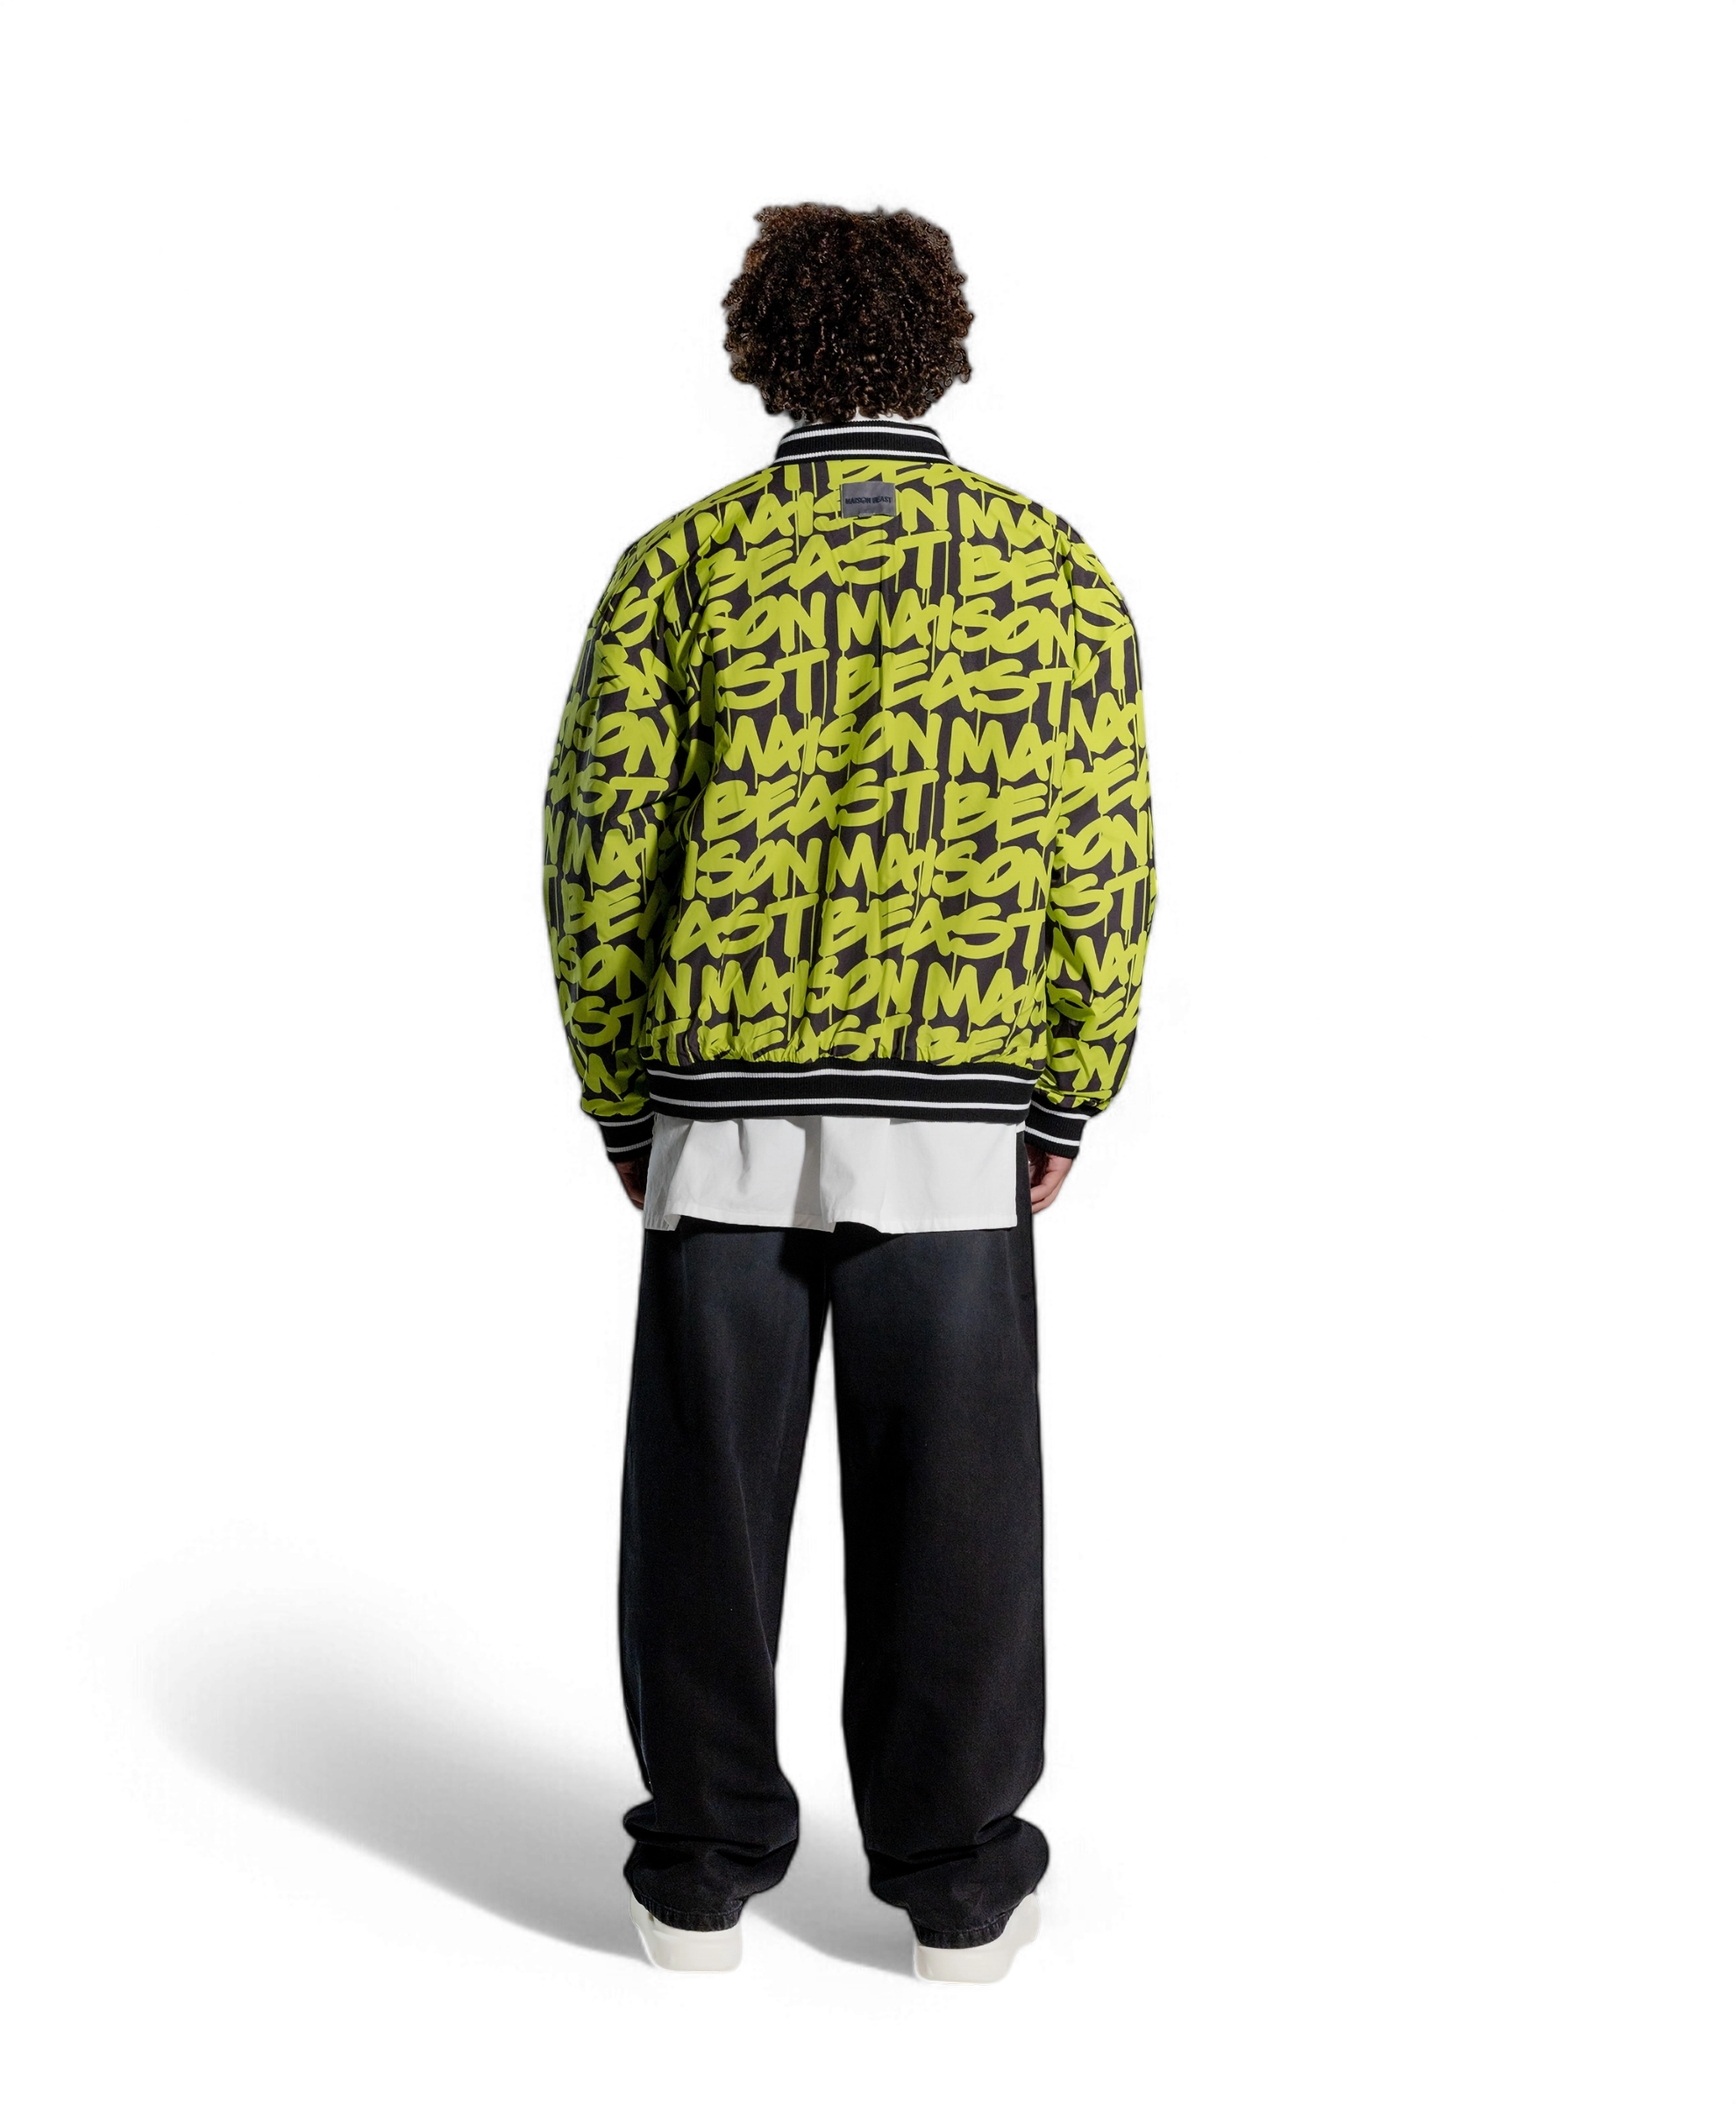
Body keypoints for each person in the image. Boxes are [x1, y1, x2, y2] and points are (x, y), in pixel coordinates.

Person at [543, 203, 1155, 1987]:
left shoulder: (683, 561)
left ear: (766, 348)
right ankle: (963, 1899)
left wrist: (619, 1097)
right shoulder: (1049, 566)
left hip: (723, 1115)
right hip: (957, 1115)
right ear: (937, 343)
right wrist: (1069, 1089)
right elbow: (1107, 851)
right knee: (961, 1526)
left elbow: (597, 850)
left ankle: (697, 1888)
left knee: (705, 1522)